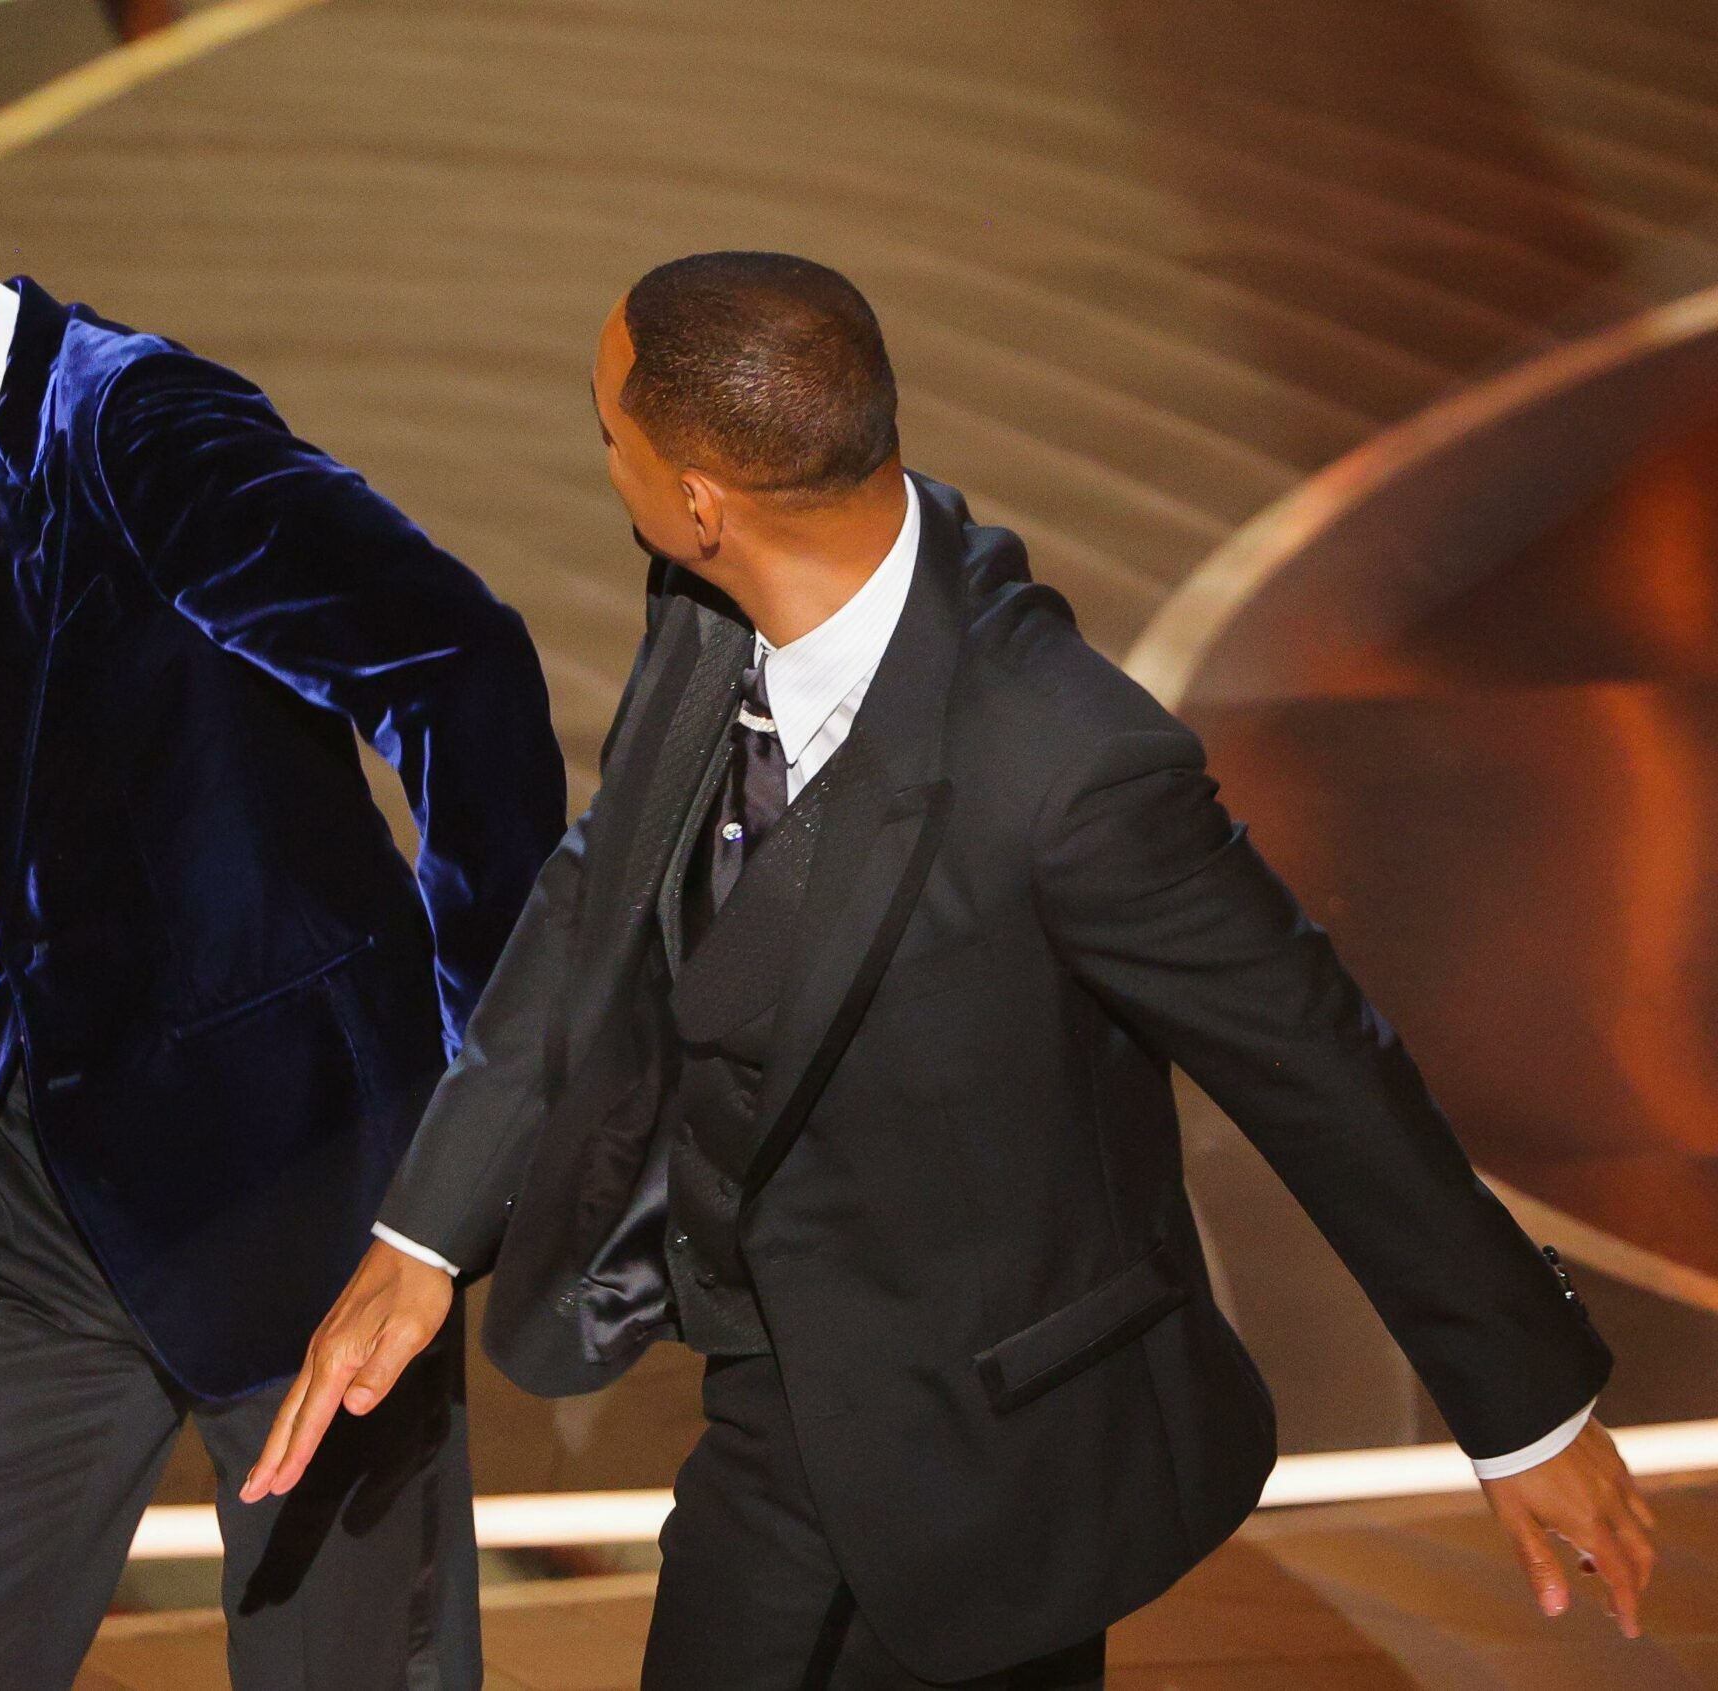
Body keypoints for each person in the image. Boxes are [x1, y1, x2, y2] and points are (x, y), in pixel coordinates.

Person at [243, 251, 1656, 1690]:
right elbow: (601, 889)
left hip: (1005, 1455)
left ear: (699, 502)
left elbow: (1321, 1071)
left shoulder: (1069, 770)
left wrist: (1527, 1409)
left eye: (608, 434)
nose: (603, 457)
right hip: (774, 1411)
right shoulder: (704, 606)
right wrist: (424, 1236)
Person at [0, 69, 566, 1690]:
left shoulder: (141, 431)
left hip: (304, 1193)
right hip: (42, 1199)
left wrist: (471, 1109)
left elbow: (463, 670)